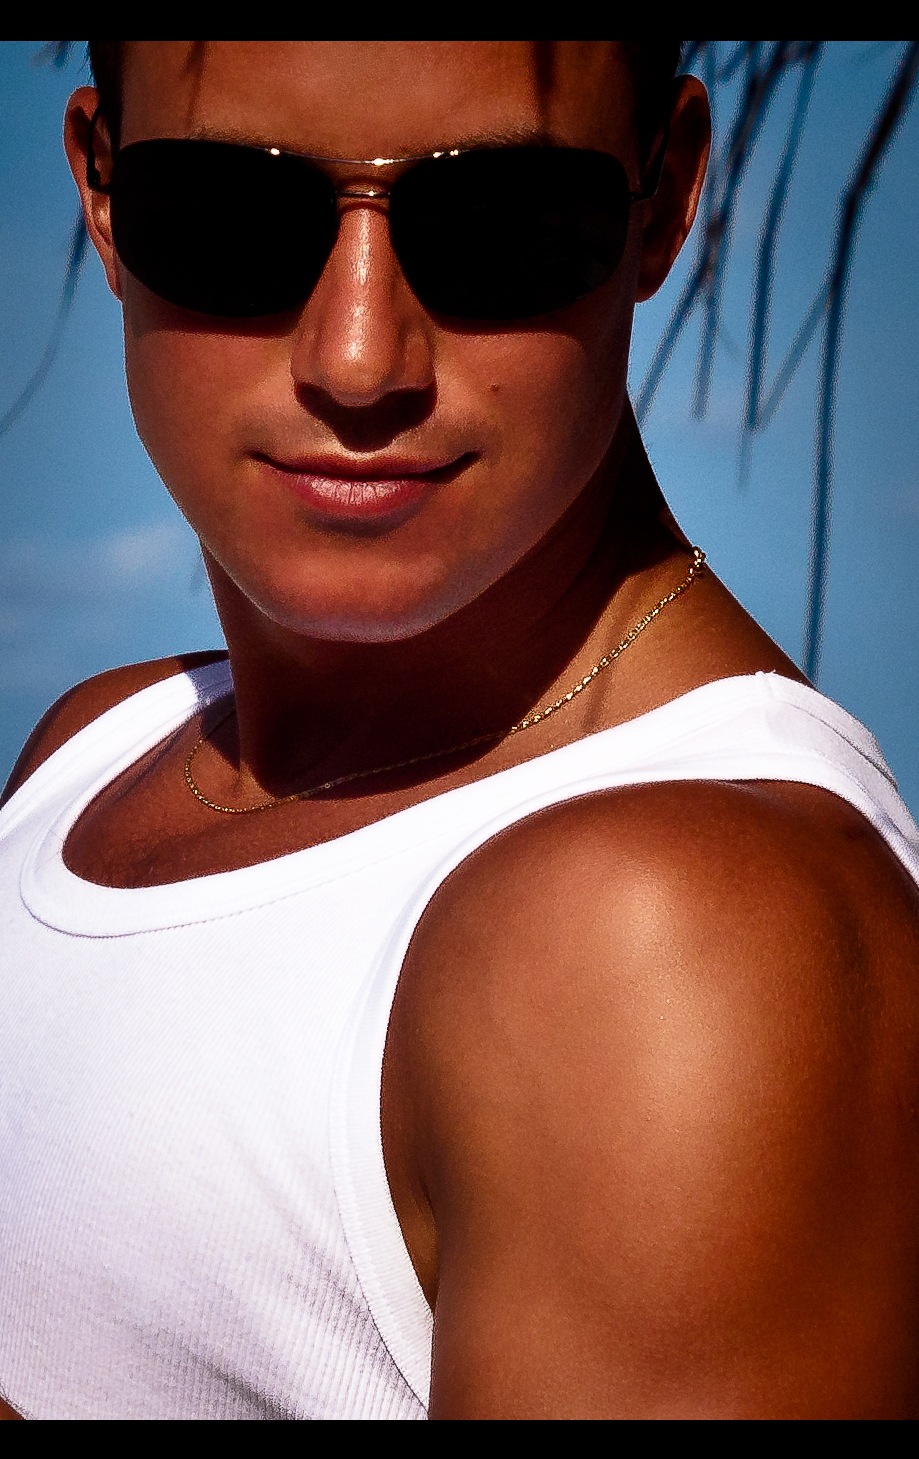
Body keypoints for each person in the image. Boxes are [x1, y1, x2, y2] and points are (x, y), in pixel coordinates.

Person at [1, 40, 918, 1421]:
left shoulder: (672, 940)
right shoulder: (102, 753)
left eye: (502, 224)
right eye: (232, 216)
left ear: (667, 196)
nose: (358, 358)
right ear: (102, 188)